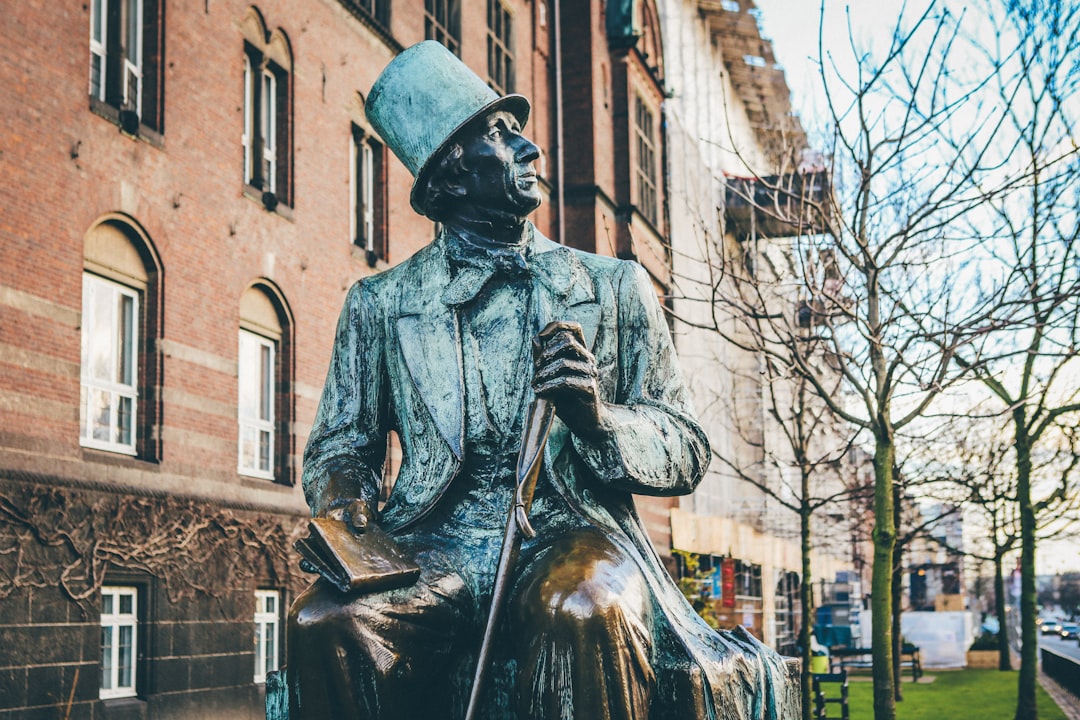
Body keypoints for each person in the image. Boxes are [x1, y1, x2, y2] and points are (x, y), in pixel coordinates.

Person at [286, 41, 795, 720]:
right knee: (326, 622)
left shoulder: (615, 288)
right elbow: (337, 446)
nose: (531, 151)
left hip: (571, 533)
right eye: (499, 136)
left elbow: (685, 447)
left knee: (582, 601)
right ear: (452, 177)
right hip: (431, 549)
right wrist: (346, 498)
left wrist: (599, 419)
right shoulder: (380, 303)